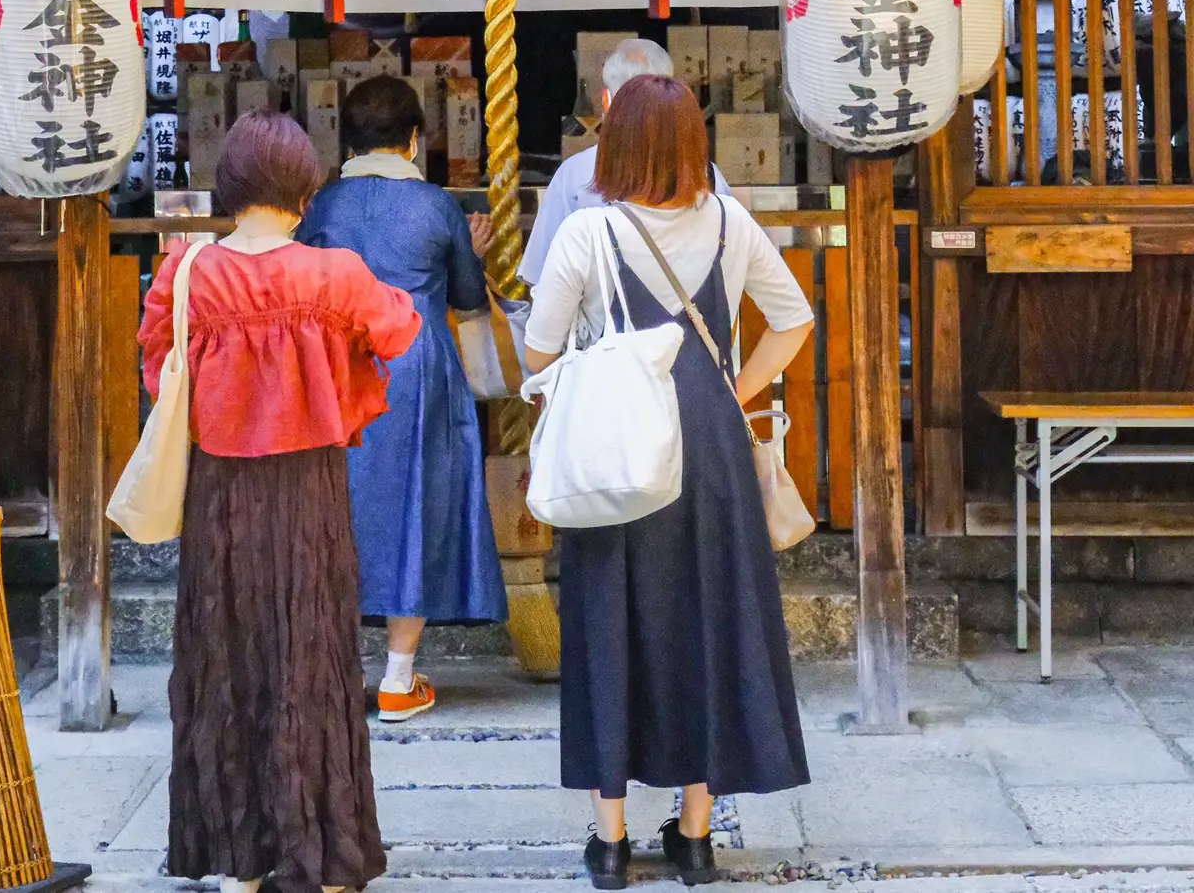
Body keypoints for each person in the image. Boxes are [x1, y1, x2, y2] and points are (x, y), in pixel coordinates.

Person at [524, 75, 813, 890]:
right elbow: (793, 320)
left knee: (607, 625)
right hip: (712, 445)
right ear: (694, 143)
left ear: (614, 146)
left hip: (618, 448)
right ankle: (694, 836)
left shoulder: (589, 232)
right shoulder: (731, 221)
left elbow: (537, 355)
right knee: (709, 624)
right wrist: (733, 389)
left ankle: (610, 844)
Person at [138, 111, 421, 893]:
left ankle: (240, 856)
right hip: (309, 494)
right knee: (310, 656)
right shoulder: (333, 273)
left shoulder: (187, 272)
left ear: (231, 187)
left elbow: (159, 372)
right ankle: (322, 851)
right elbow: (399, 329)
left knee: (225, 656)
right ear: (305, 186)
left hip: (220, 495)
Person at [299, 74, 507, 721]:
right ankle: (397, 677)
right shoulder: (437, 207)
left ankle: (328, 673)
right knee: (418, 506)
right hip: (415, 362)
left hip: (337, 366)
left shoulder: (322, 208)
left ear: (348, 141)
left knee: (334, 509)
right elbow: (470, 301)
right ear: (415, 138)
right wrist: (463, 256)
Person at [519, 39, 731, 290]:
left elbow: (543, 276)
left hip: (607, 325)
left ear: (607, 101)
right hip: (694, 321)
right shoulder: (705, 174)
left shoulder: (575, 175)